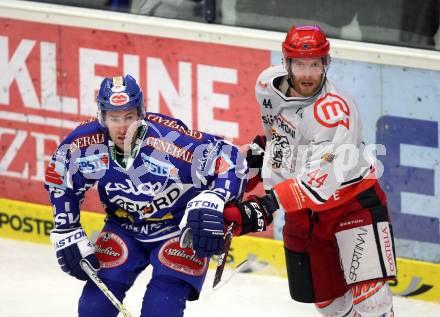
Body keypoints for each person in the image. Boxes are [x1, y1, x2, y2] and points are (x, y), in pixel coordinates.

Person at [212, 25, 397, 316]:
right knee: (328, 303)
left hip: (351, 205)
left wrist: (264, 206)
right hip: (303, 215)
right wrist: (253, 166)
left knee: (372, 300)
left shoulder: (334, 113)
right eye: (300, 64)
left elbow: (316, 182)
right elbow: (277, 138)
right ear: (286, 63)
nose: (308, 74)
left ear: (326, 64)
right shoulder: (267, 87)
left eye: (315, 64)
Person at [44, 75, 247, 316]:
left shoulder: (170, 141)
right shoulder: (86, 143)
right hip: (123, 227)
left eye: (129, 116)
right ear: (102, 117)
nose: (122, 127)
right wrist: (66, 227)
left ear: (141, 113)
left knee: (161, 308)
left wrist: (214, 198)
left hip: (178, 230)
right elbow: (61, 179)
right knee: (93, 308)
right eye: (114, 118)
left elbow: (232, 158)